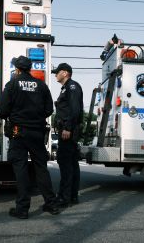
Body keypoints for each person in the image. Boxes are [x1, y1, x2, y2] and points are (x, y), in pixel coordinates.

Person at [0, 56, 60, 219]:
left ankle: (23, 209)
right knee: (41, 167)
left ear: (17, 69)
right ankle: (51, 204)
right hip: (38, 132)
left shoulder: (11, 85)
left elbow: (2, 111)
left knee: (21, 168)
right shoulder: (41, 85)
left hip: (18, 132)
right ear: (29, 69)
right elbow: (48, 109)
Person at [51, 63, 83, 207]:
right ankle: (72, 196)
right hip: (67, 130)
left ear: (65, 73)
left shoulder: (72, 87)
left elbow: (75, 110)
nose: (55, 75)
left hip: (68, 131)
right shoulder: (66, 88)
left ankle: (64, 198)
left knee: (66, 164)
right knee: (71, 164)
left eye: (57, 72)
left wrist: (68, 128)